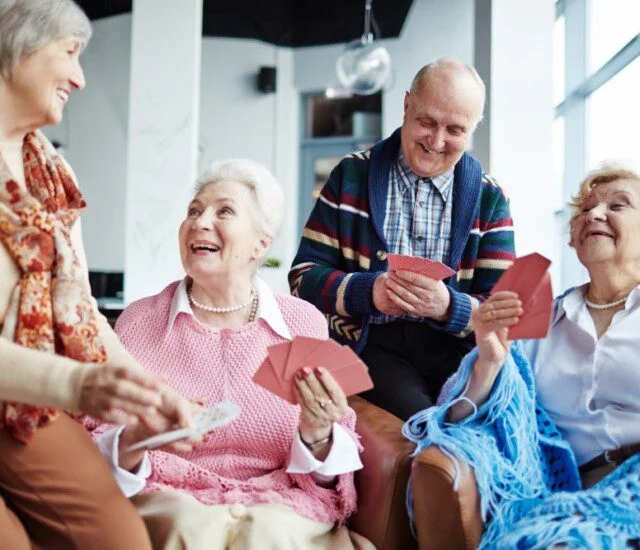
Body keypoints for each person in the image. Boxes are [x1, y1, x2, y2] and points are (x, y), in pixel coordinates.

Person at [95, 159, 370, 549]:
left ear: (262, 242)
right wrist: (138, 437)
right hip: (170, 500)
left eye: (224, 211)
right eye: (193, 211)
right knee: (190, 529)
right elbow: (105, 449)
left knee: (267, 535)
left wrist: (317, 433)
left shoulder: (302, 322)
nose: (200, 222)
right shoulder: (139, 321)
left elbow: (330, 480)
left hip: (282, 506)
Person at [0, 1, 191, 547]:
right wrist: (78, 384)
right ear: (20, 45)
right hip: (43, 388)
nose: (81, 79)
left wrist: (153, 394)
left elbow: (81, 309)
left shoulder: (54, 172)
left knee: (121, 539)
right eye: (71, 54)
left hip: (25, 406)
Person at [404, 164, 640, 547]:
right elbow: (459, 419)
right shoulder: (536, 318)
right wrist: (490, 362)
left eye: (619, 205)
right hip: (551, 490)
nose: (595, 214)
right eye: (586, 209)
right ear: (574, 239)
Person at [289, 58, 516, 421]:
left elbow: (504, 315)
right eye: (426, 121)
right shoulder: (351, 174)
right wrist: (370, 292)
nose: (436, 141)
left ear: (474, 128)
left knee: (495, 420)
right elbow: (301, 279)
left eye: (455, 129)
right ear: (407, 104)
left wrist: (448, 307)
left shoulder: (490, 198)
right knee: (425, 423)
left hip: (459, 351)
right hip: (374, 347)